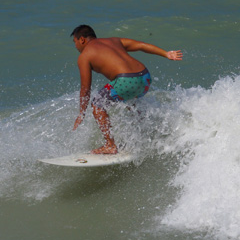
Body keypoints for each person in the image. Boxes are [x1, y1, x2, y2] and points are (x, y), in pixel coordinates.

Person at [71, 24, 183, 154]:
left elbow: (85, 89)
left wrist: (82, 113)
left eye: (75, 42)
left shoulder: (85, 56)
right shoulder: (114, 40)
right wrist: (166, 53)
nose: (75, 46)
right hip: (145, 77)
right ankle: (144, 137)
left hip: (127, 80)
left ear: (82, 40)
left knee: (97, 103)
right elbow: (141, 45)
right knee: (130, 102)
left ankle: (110, 145)